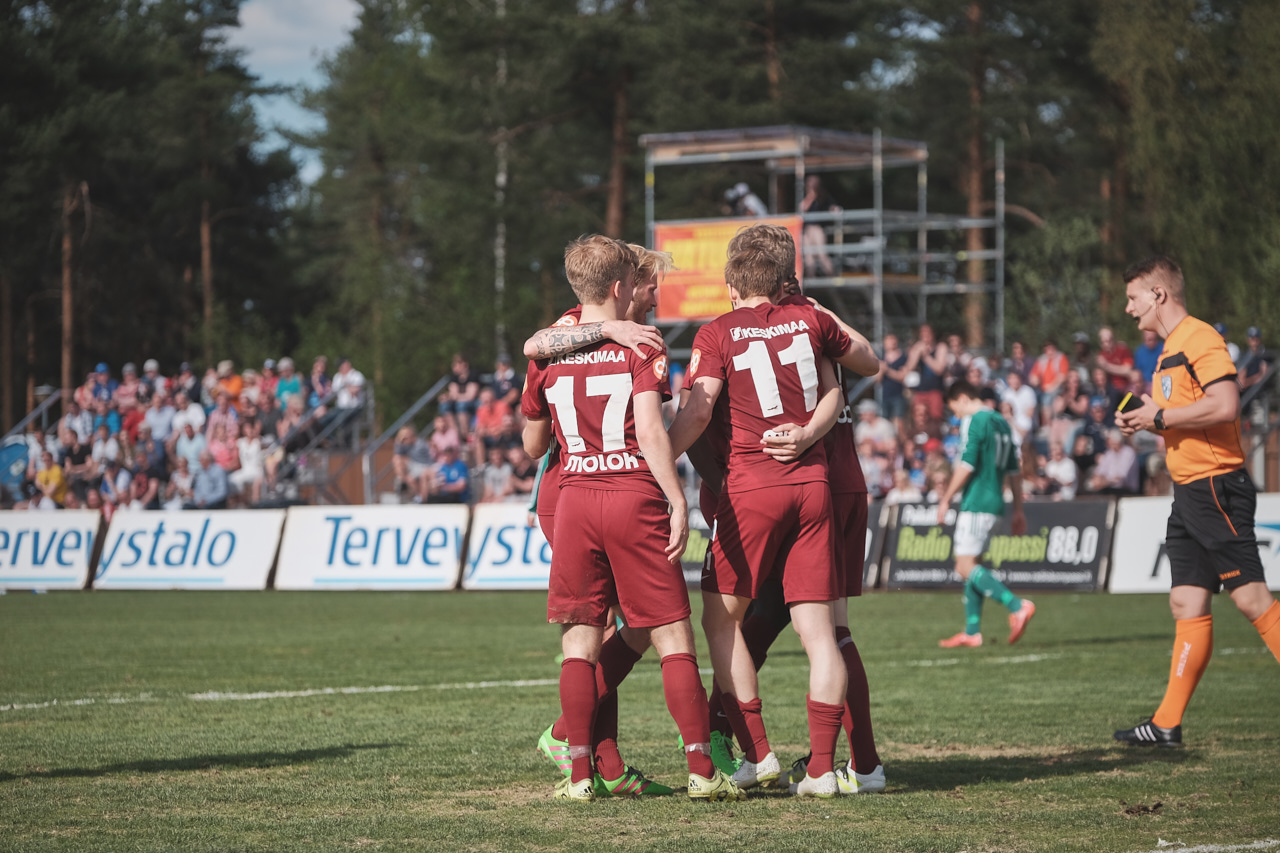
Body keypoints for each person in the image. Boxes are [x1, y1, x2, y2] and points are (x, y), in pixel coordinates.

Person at [522, 234, 740, 803]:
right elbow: (649, 429)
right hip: (629, 491)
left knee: (581, 639)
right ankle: (701, 770)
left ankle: (580, 773)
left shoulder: (551, 348)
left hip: (573, 494)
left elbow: (531, 440)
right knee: (671, 632)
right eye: (647, 284)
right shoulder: (640, 345)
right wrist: (676, 497)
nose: (654, 296)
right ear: (622, 286)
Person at [669, 241, 878, 799]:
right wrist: (807, 435)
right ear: (785, 280)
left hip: (751, 487)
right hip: (813, 484)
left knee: (721, 621)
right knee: (823, 634)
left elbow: (698, 410)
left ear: (730, 286)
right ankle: (823, 771)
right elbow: (846, 381)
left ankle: (758, 752)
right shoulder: (812, 321)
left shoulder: (716, 331)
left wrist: (656, 461)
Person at [1113, 256, 1280, 747]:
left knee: (1252, 599)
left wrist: (1160, 417)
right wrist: (1145, 419)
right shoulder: (1169, 350)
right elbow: (1181, 417)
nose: (1128, 308)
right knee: (1185, 601)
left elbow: (1226, 405)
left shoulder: (1199, 338)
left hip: (1215, 487)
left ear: (1158, 295)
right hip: (1189, 491)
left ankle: (1166, 723)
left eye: (1133, 298)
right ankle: (1166, 724)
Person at [933, 380, 1035, 649]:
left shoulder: (975, 420)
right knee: (973, 564)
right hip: (996, 504)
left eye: (955, 409)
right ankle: (972, 632)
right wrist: (1018, 510)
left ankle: (1017, 606)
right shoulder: (1002, 422)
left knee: (964, 566)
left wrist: (945, 499)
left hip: (977, 502)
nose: (957, 416)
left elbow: (967, 464)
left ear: (963, 398)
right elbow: (1014, 470)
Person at [800, 175, 840, 277]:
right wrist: (810, 197)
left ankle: (833, 277)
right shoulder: (805, 196)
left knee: (822, 255)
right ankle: (811, 280)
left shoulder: (823, 196)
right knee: (808, 257)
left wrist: (834, 210)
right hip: (806, 230)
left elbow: (832, 207)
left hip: (817, 229)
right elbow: (802, 208)